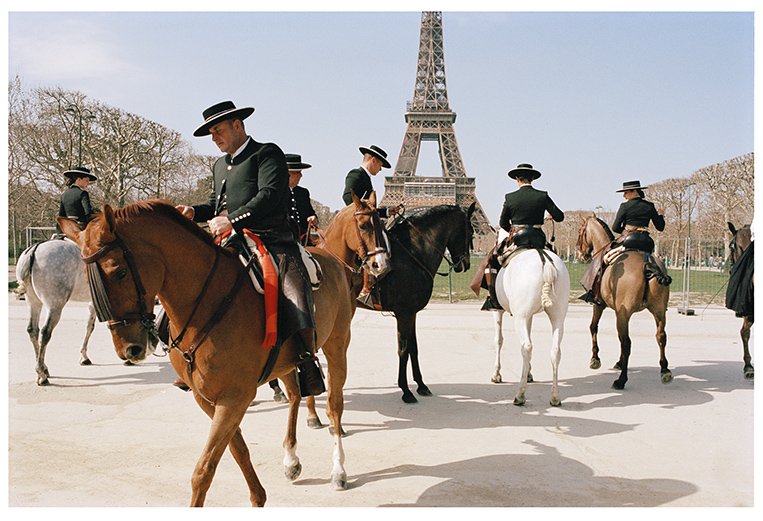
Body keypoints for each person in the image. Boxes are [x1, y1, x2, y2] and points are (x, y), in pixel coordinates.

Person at [175, 100, 324, 397]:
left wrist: (231, 220)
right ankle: (184, 351)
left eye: (218, 131)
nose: (215, 138)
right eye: (211, 134)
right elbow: (217, 205)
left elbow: (268, 196)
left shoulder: (267, 153)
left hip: (271, 238)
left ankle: (307, 359)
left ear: (238, 125)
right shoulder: (220, 165)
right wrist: (194, 211)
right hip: (229, 238)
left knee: (293, 289)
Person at [579, 180, 669, 304]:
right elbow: (660, 227)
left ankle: (595, 293)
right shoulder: (650, 206)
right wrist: (661, 215)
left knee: (604, 260)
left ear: (634, 191)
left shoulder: (625, 206)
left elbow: (615, 227)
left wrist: (626, 231)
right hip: (647, 242)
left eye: (626, 192)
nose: (624, 195)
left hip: (629, 241)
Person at [342, 145, 393, 307]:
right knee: (373, 247)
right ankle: (366, 288)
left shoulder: (365, 177)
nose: (380, 169)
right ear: (373, 160)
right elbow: (347, 197)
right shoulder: (356, 174)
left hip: (365, 220)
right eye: (380, 165)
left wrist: (387, 211)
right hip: (358, 224)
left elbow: (369, 208)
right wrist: (361, 214)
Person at [285, 153, 318, 246]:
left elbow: (310, 213)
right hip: (284, 240)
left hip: (305, 241)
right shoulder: (276, 193)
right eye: (296, 173)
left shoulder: (303, 193)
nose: (300, 176)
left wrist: (313, 218)